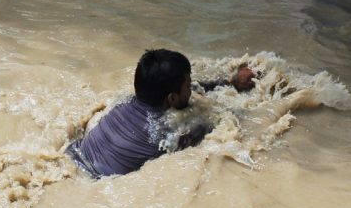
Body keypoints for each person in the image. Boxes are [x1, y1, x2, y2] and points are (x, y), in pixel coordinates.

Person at [66, 49, 254, 178]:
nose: (191, 89)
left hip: (72, 158)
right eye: (187, 85)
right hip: (100, 182)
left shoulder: (123, 102)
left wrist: (230, 84)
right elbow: (220, 122)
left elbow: (193, 90)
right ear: (171, 99)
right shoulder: (167, 134)